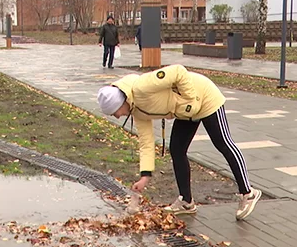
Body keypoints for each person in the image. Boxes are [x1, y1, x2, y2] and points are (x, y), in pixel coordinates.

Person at [96, 64, 262, 220]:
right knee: (176, 149)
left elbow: (178, 71)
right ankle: (186, 201)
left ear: (121, 102)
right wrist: (144, 177)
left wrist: (191, 100)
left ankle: (248, 192)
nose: (117, 116)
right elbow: (146, 144)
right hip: (185, 112)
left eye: (115, 112)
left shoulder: (142, 87)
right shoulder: (137, 111)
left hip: (204, 96)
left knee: (223, 143)